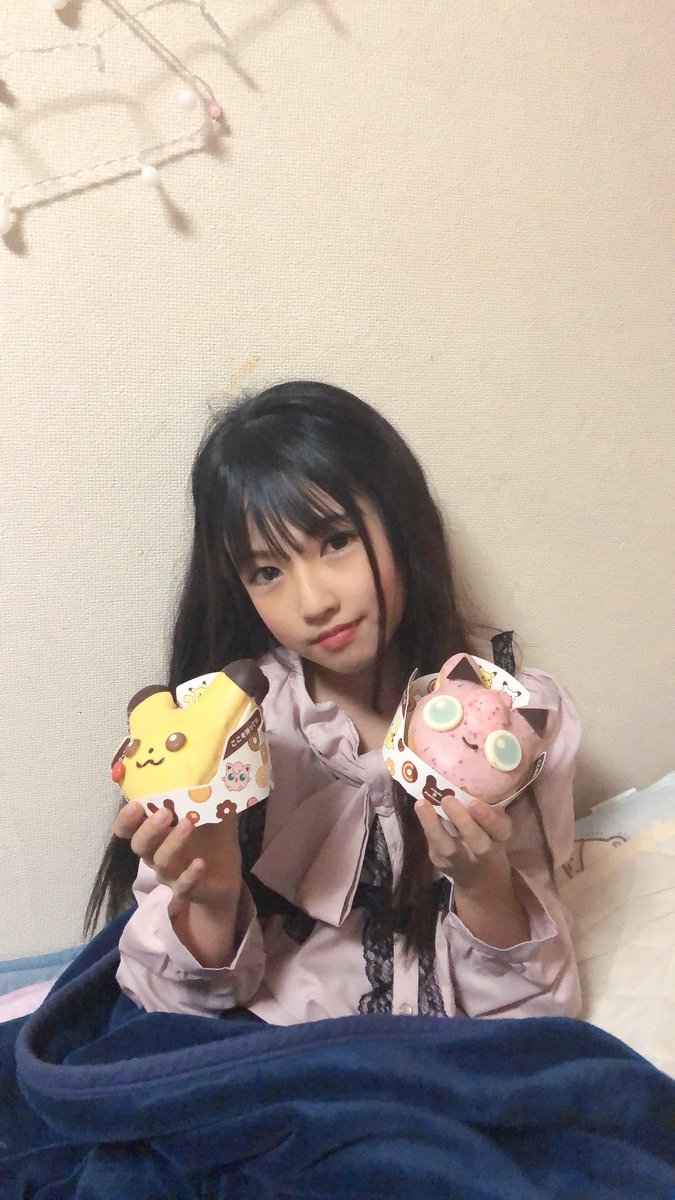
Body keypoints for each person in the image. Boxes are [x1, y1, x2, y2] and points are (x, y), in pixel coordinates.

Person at [85, 381, 581, 1024]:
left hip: (450, 1055)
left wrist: (484, 884)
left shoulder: (511, 722)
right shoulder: (235, 737)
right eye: (268, 572)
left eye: (336, 541)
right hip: (274, 1054)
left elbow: (540, 1014)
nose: (314, 601)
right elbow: (169, 1009)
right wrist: (213, 896)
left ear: (400, 522)